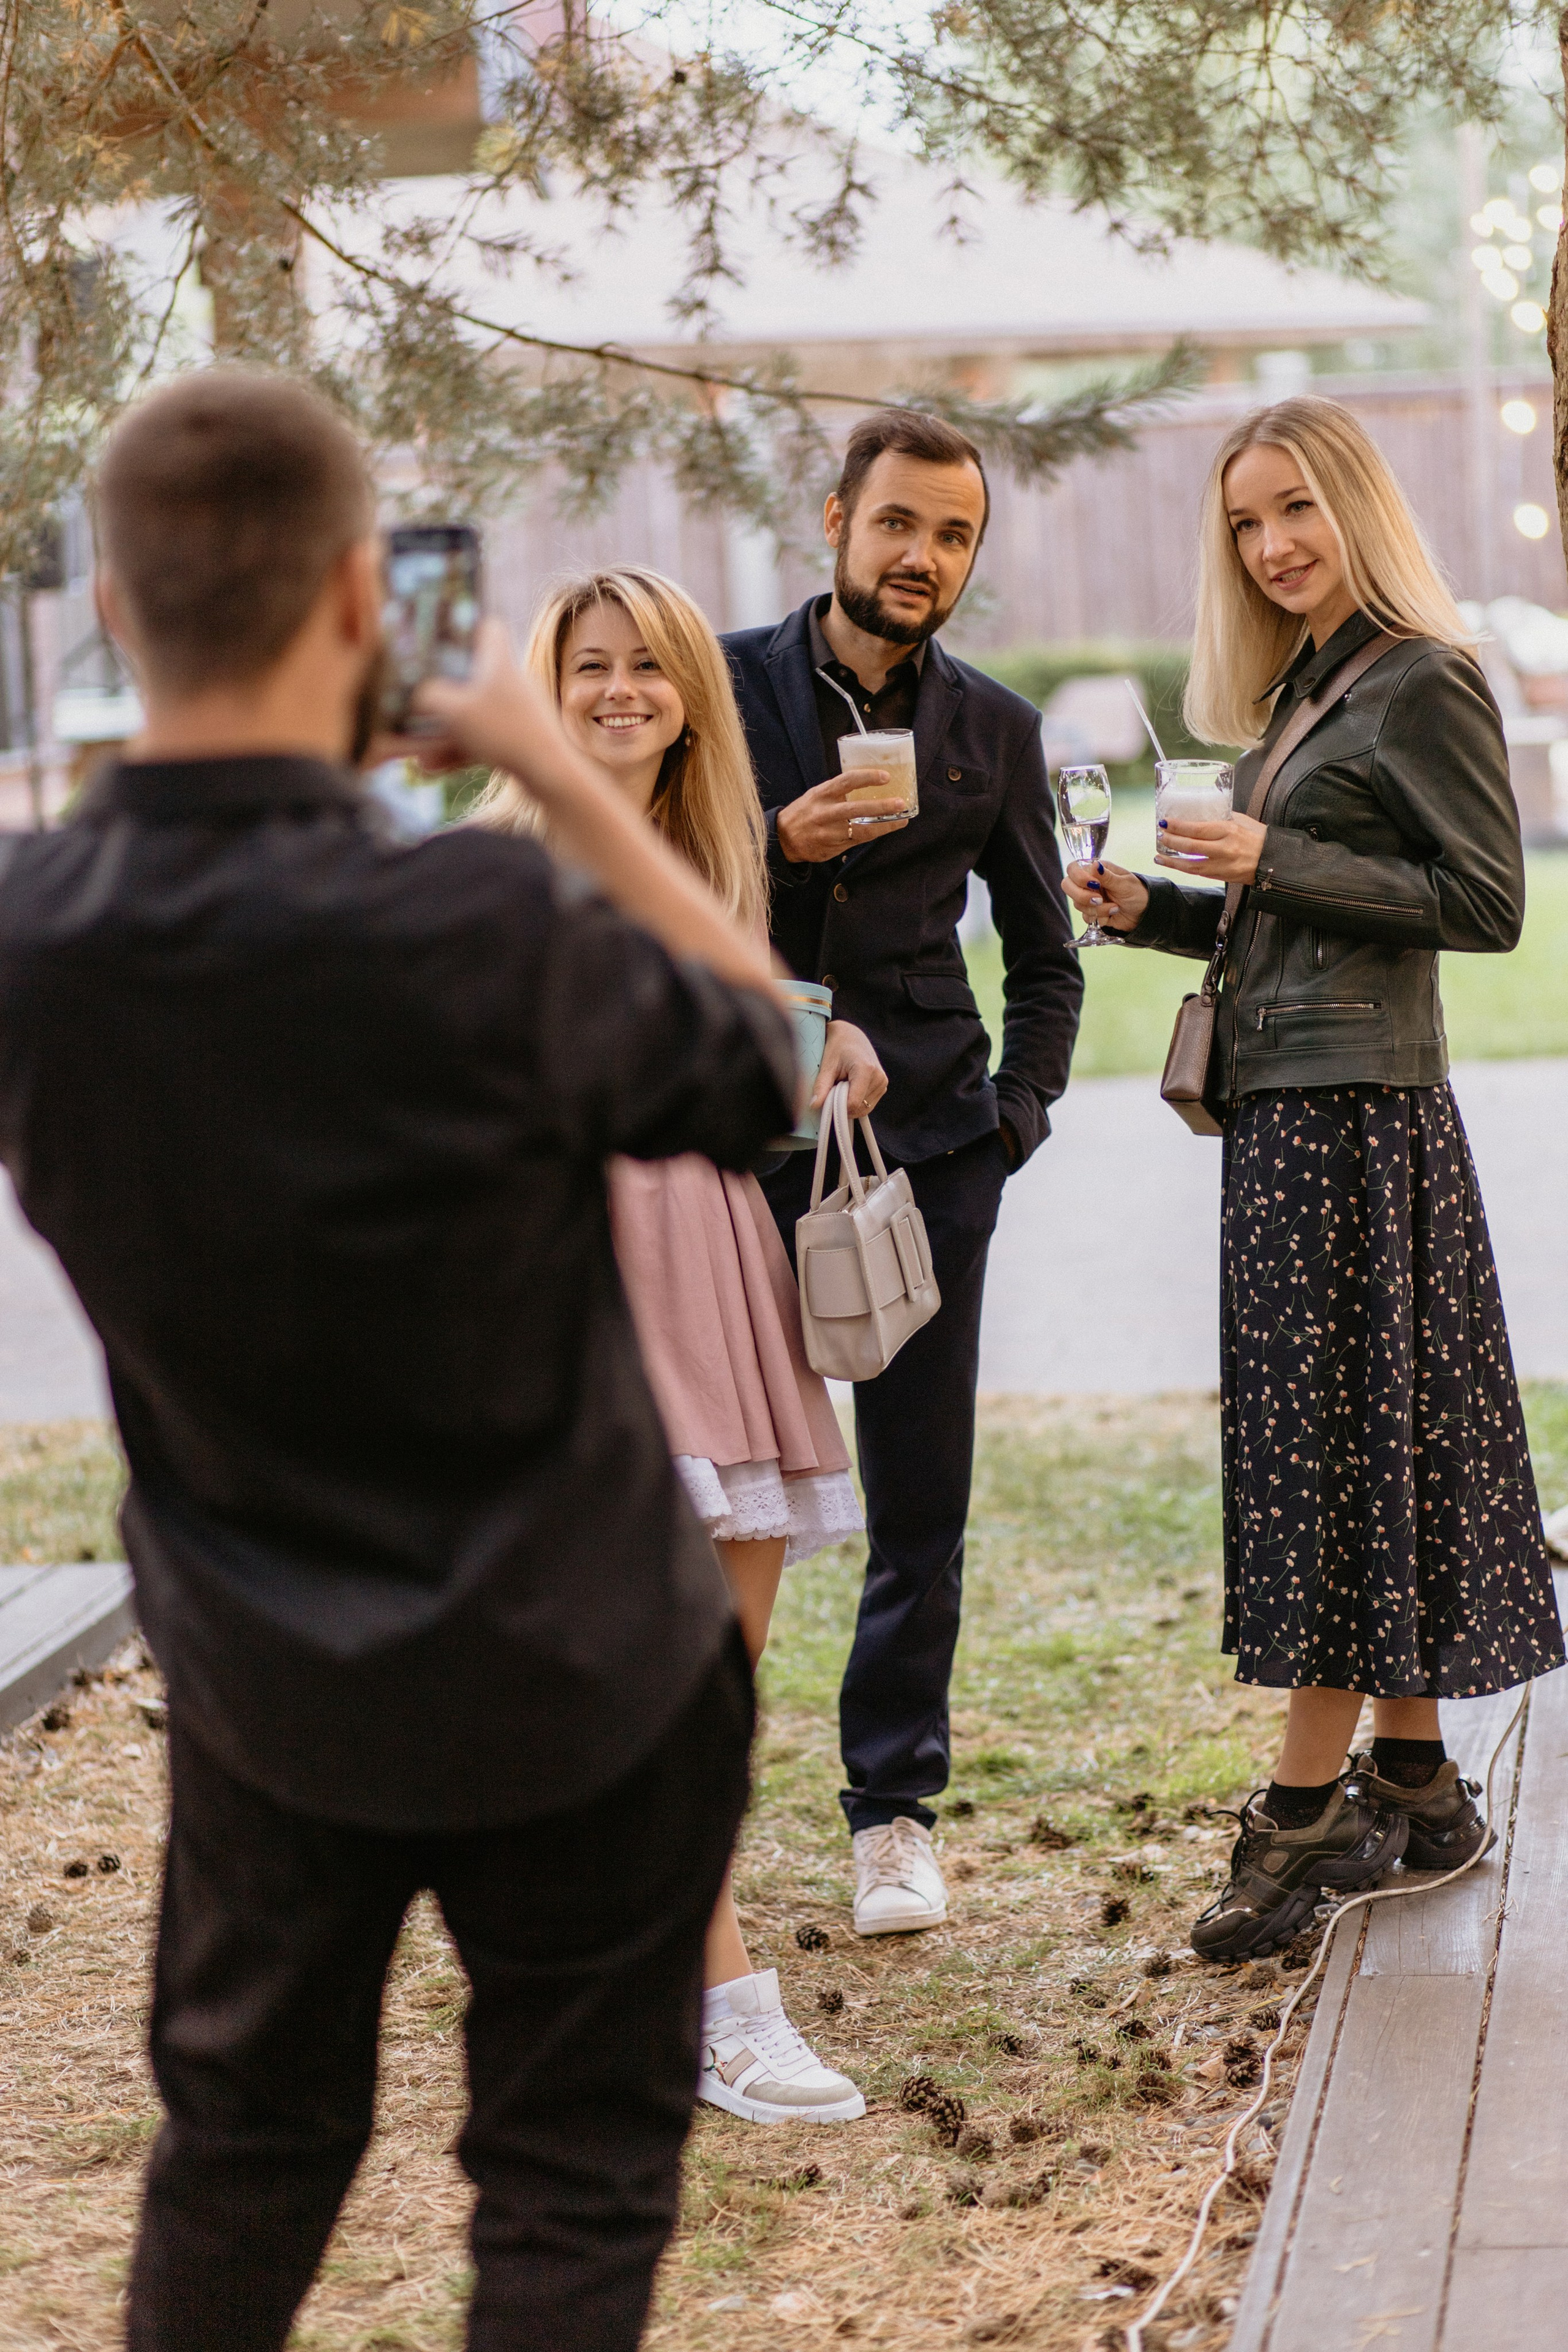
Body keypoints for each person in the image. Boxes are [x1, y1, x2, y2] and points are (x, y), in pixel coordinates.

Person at [0, 369, 801, 2352]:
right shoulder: (488, 911)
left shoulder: (35, 942)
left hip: (267, 1685)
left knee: (241, 2159)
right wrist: (559, 775)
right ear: (369, 600)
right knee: (568, 2188)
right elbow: (760, 1058)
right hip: (586, 1664)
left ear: (119, 608)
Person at [1063, 394, 1565, 1961]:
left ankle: (1300, 1819)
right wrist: (1152, 906)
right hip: (1293, 1116)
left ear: (1353, 506)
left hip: (1358, 1119)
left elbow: (1487, 902)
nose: (1271, 543)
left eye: (1294, 508)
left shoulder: (1421, 675)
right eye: (1244, 521)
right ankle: (1411, 1783)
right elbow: (1277, 921)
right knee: (1353, 1443)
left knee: (1332, 1453)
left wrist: (1267, 855)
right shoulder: (1303, 686)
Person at [477, 564, 883, 2123]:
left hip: (711, 1259)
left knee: (714, 1676)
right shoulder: (500, 861)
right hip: (575, 1270)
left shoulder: (714, 858)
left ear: (691, 699)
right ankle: (717, 2004)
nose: (619, 691)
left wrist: (822, 1038)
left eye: (648, 665)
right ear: (546, 686)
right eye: (589, 665)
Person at [723, 410, 1084, 1936]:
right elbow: (646, 882)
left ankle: (892, 1817)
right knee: (717, 1495)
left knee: (917, 1504)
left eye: (951, 535)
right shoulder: (719, 686)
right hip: (736, 1148)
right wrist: (781, 843)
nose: (921, 556)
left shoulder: (991, 728)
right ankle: (671, 1803)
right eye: (897, 524)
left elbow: (1046, 954)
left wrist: (1011, 1122)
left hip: (931, 1152)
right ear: (835, 521)